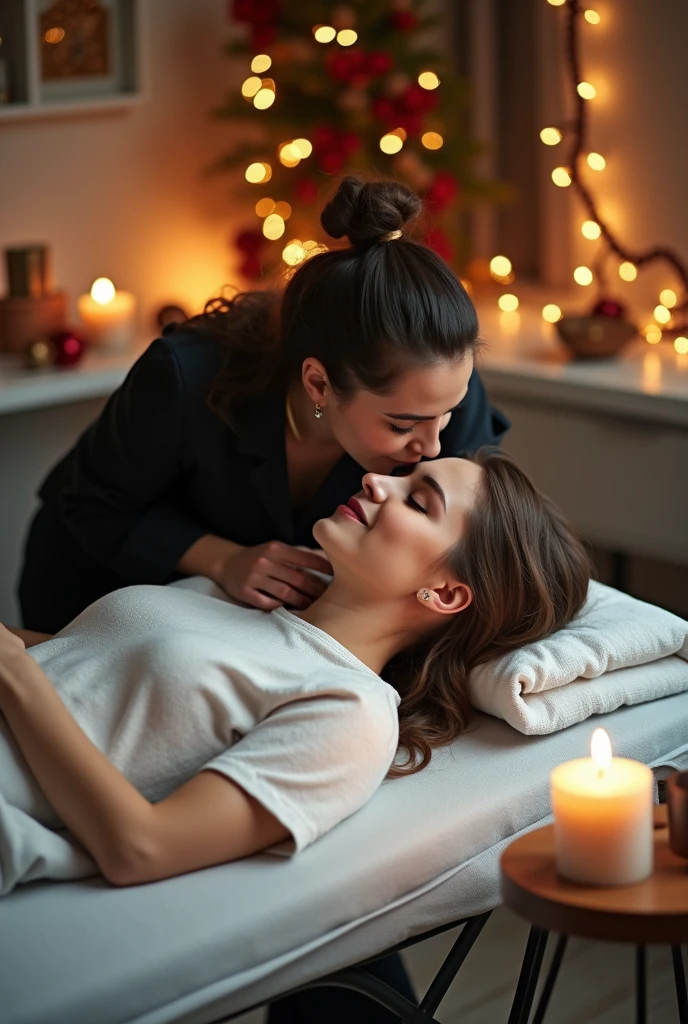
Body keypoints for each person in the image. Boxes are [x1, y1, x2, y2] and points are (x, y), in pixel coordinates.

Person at [1, 450, 591, 903]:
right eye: (404, 475)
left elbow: (141, 848)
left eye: (417, 501)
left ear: (443, 592)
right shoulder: (244, 592)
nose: (375, 481)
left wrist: (14, 674)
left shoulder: (349, 709)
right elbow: (79, 670)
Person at [18, 175, 509, 637]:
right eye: (402, 425)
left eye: (448, 413)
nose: (433, 445)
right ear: (318, 383)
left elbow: (479, 543)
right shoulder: (185, 377)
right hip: (96, 588)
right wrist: (222, 560)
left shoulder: (439, 390)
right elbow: (92, 506)